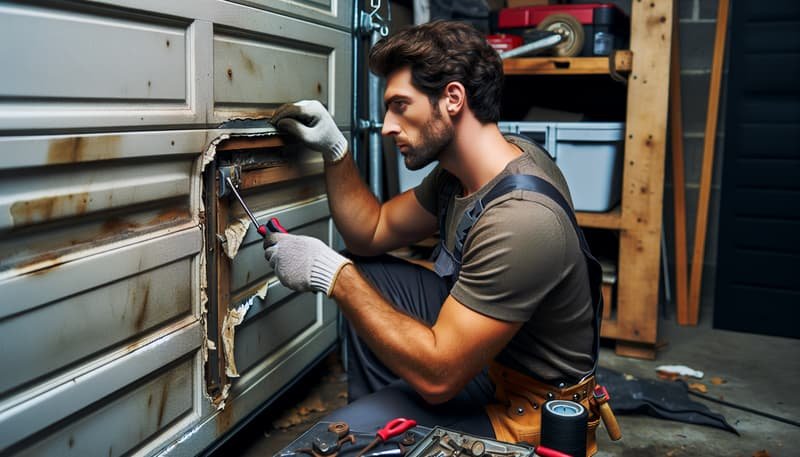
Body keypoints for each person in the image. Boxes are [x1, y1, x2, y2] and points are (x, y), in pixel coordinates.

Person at [265, 20, 604, 455]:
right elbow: (370, 232)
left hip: (527, 411)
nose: (387, 126)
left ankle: (396, 434)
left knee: (327, 446)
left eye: (400, 106)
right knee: (369, 273)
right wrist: (336, 151)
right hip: (491, 360)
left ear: (453, 99)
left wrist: (334, 276)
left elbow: (440, 377)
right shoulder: (464, 173)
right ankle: (394, 421)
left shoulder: (521, 219)